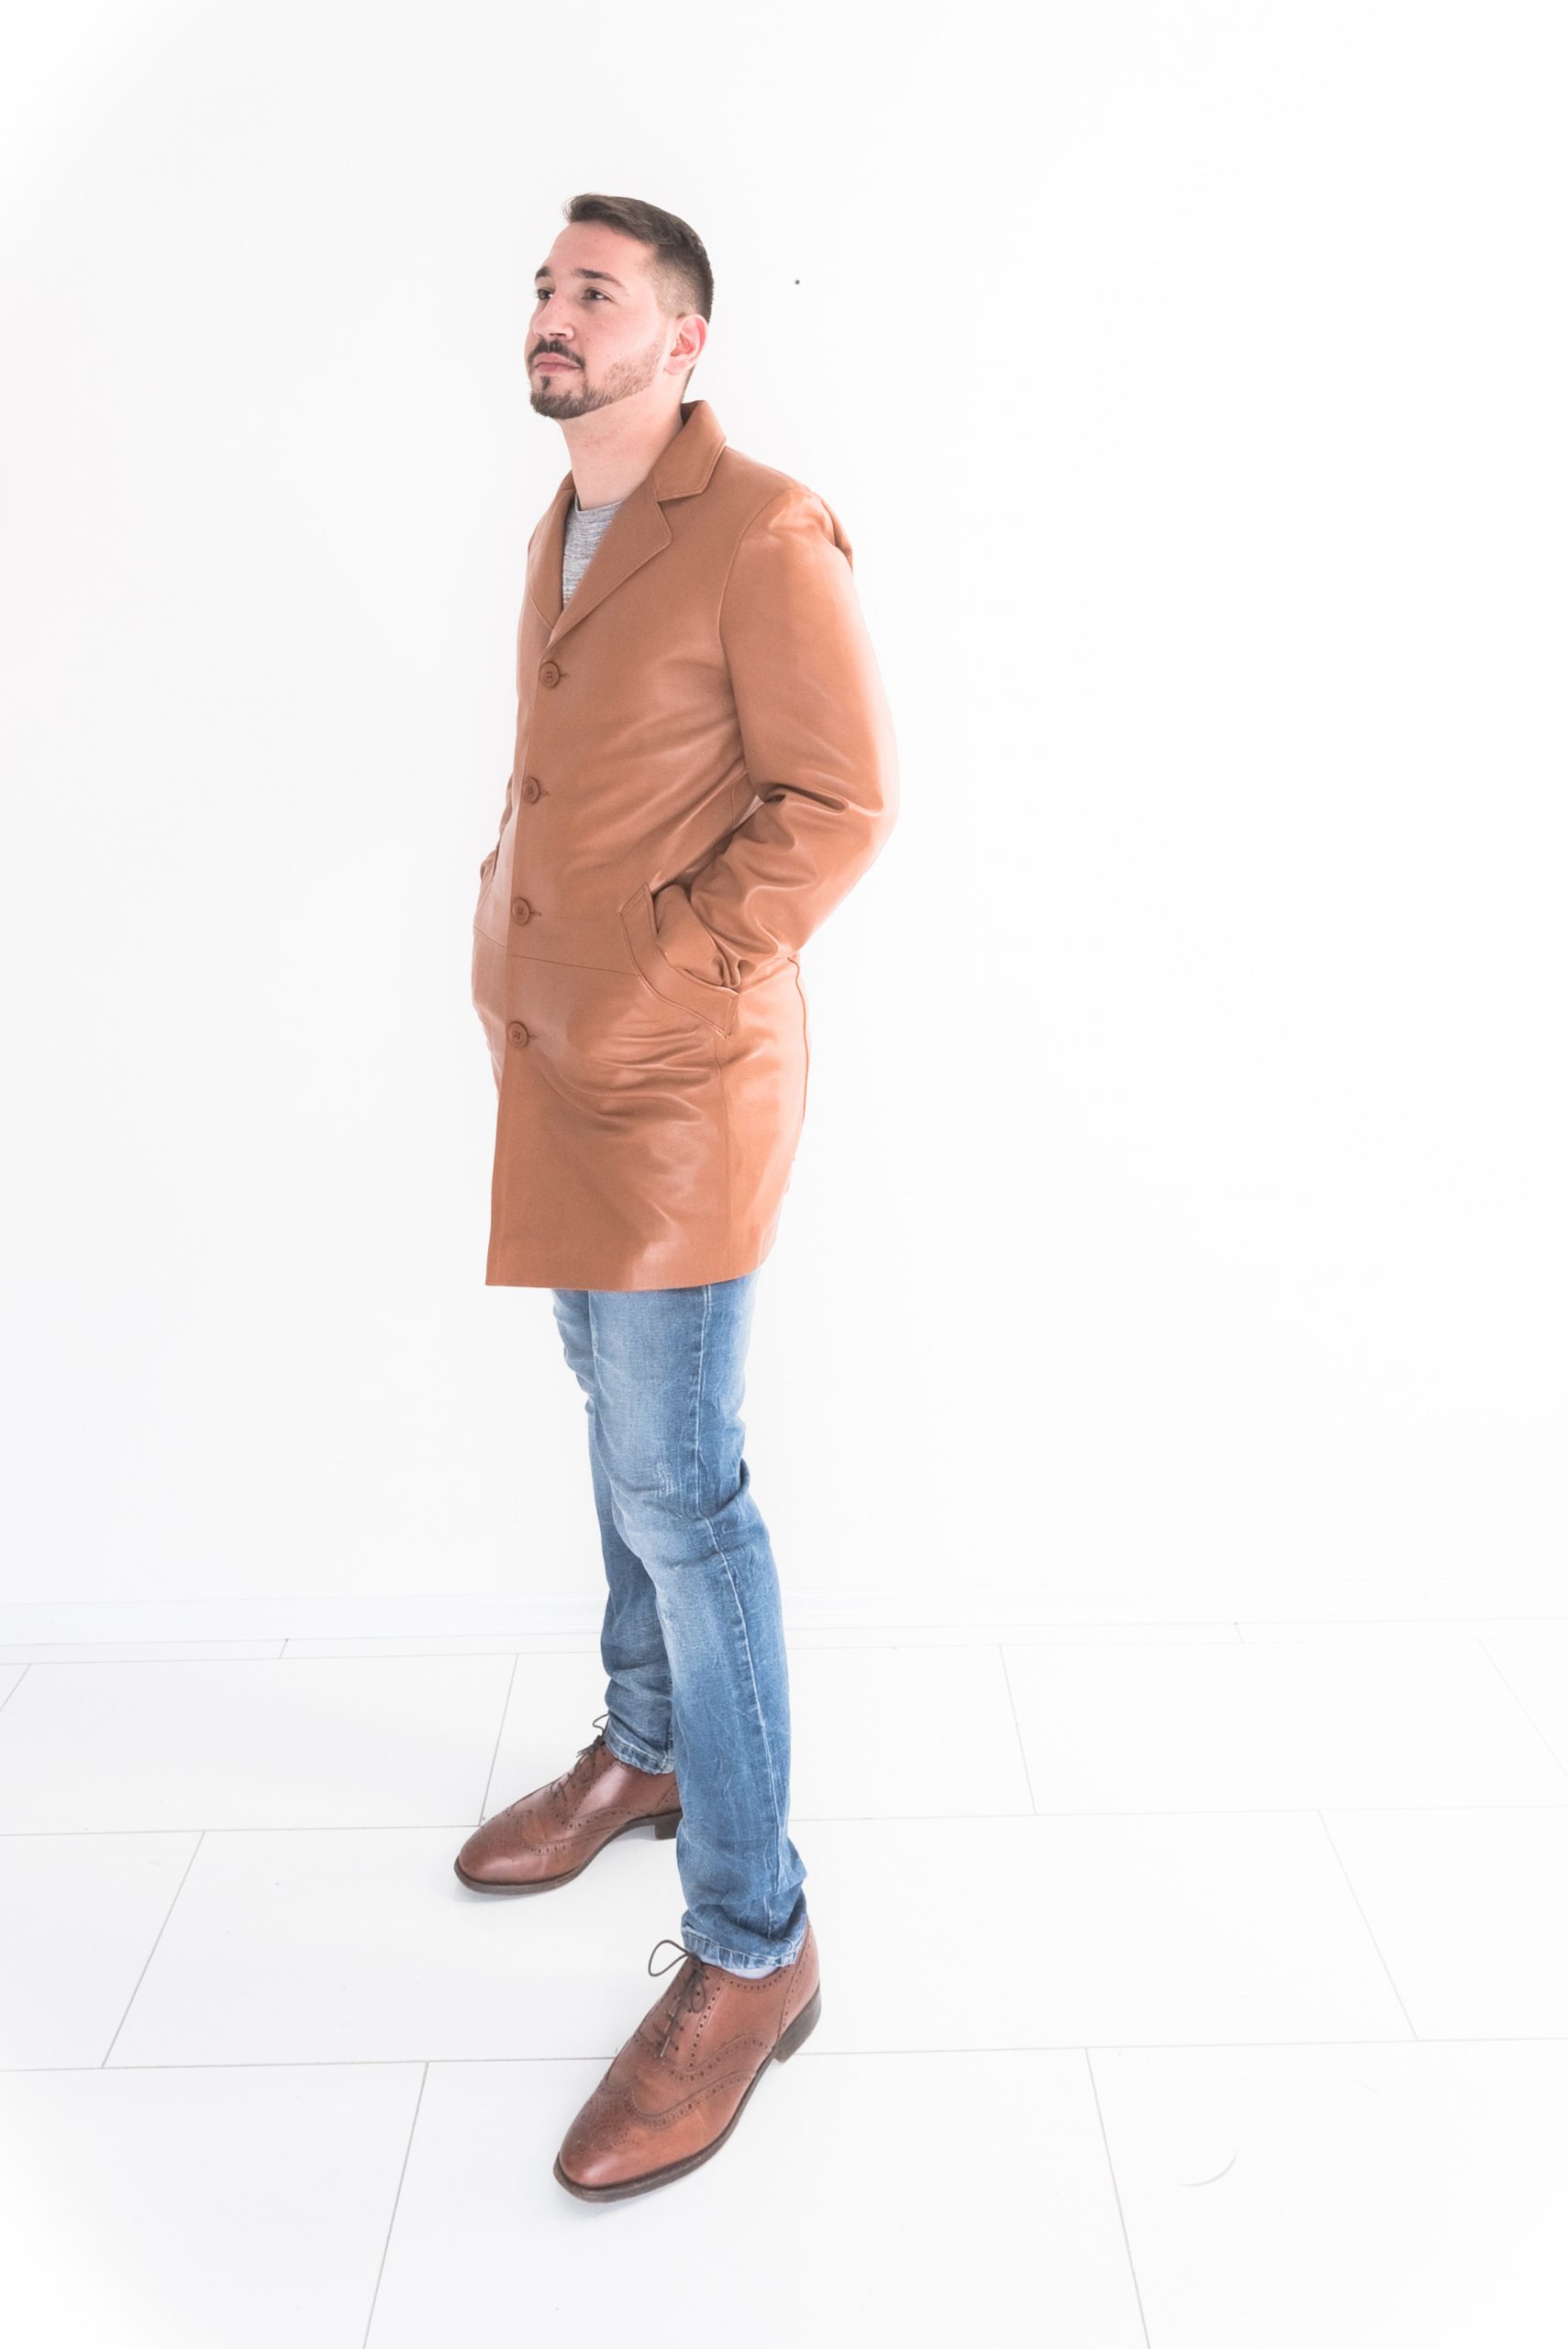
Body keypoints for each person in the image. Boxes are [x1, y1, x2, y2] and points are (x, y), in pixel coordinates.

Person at [456, 192, 898, 2200]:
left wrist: (669, 970)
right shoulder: (563, 525)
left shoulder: (765, 529)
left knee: (684, 1492)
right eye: (547, 286)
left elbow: (839, 803)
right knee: (611, 1426)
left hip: (677, 1085)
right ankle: (643, 1744)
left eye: (597, 294)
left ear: (684, 341)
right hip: (555, 1065)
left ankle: (751, 1935)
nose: (555, 314)